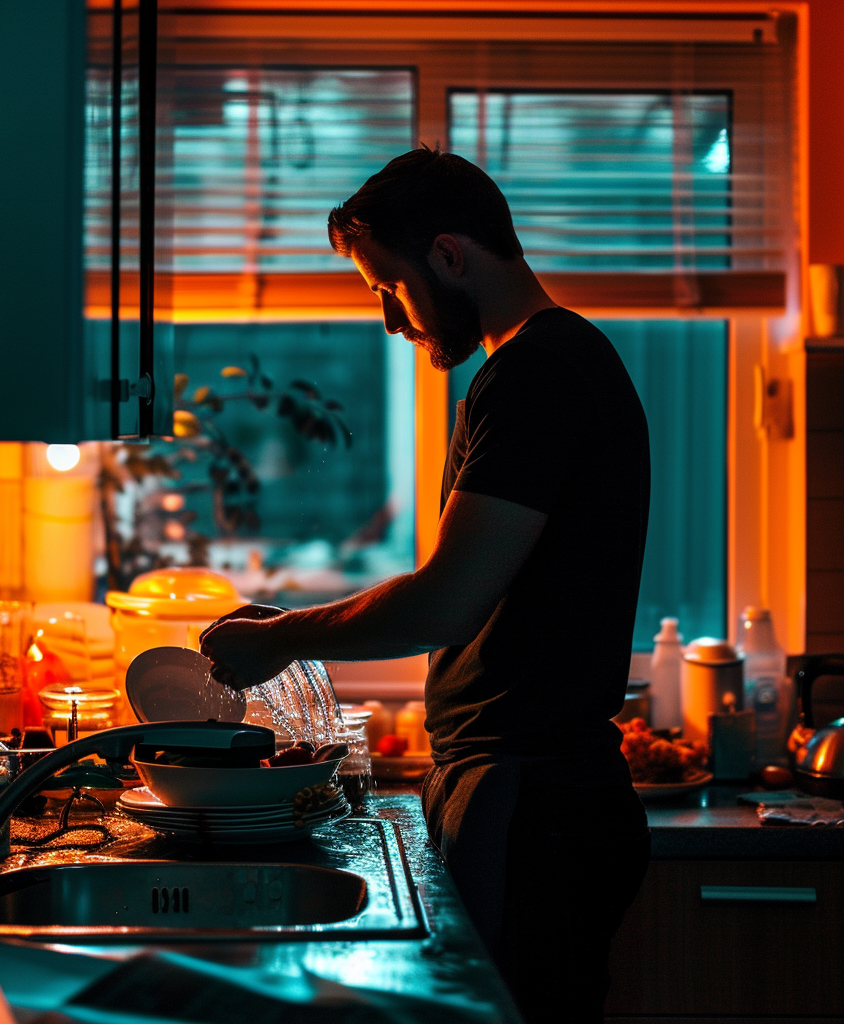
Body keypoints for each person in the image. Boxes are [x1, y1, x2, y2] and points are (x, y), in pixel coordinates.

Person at [200, 147, 651, 1024]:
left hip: (533, 804)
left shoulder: (535, 377)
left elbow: (446, 599)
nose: (390, 318)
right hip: (533, 794)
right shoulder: (548, 365)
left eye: (389, 286)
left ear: (449, 256)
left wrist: (281, 637)